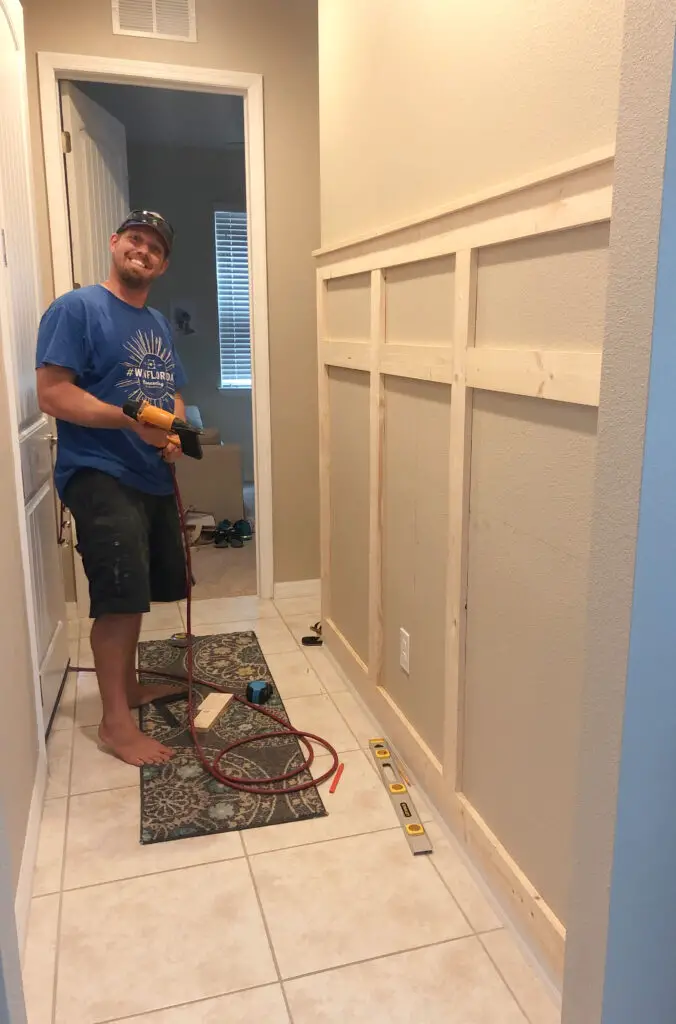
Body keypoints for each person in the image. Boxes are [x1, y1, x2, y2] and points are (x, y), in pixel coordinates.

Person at [36, 210, 189, 767]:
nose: (143, 251)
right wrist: (130, 422)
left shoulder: (156, 323)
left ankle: (126, 689)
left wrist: (174, 433)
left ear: (163, 264)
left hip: (148, 473)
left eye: (154, 248)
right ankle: (115, 724)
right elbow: (53, 395)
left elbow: (170, 391)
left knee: (136, 592)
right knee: (118, 601)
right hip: (98, 471)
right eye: (135, 240)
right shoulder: (75, 309)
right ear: (114, 243)